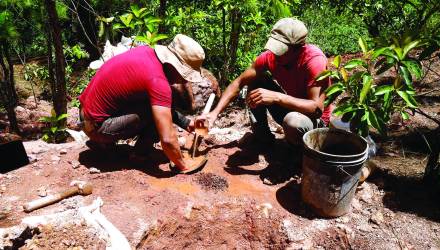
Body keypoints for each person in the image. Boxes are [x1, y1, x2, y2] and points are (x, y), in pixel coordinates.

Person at [79, 34, 207, 173]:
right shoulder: (157, 81)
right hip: (97, 126)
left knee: (155, 107)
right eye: (185, 75)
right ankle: (138, 155)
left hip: (86, 115)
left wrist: (187, 123)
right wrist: (183, 164)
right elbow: (167, 139)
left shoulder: (146, 52)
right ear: (175, 66)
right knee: (157, 117)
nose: (184, 80)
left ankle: (110, 145)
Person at [200, 18, 332, 149]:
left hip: (314, 123)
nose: (275, 55)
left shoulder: (314, 61)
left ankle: (299, 155)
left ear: (298, 48)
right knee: (256, 81)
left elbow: (317, 110)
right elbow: (239, 82)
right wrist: (214, 113)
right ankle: (263, 139)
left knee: (293, 122)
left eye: (282, 50)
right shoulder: (271, 57)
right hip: (293, 110)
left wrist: (277, 97)